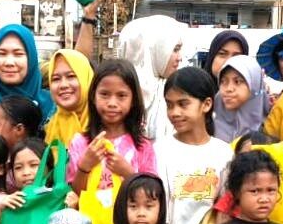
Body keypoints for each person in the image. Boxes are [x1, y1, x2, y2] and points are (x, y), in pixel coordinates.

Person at [156, 67, 233, 224]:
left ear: (206, 104)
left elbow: (224, 208)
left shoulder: (223, 153)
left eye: (183, 103)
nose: (175, 113)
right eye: (169, 105)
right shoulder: (160, 150)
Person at [68, 59, 157, 193]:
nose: (112, 103)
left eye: (121, 95)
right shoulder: (81, 143)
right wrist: (84, 167)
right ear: (93, 96)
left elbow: (151, 193)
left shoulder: (142, 146)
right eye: (104, 94)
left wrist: (128, 173)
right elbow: (75, 194)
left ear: (133, 100)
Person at [116, 15, 185, 141]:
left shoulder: (177, 91)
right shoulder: (117, 95)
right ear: (153, 50)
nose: (180, 57)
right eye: (175, 49)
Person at [213, 55, 268, 144]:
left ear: (254, 86)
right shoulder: (207, 128)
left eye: (237, 81)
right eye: (223, 81)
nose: (229, 88)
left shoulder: (270, 129)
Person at [44, 49, 94, 147]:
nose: (63, 85)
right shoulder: (52, 126)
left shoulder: (104, 124)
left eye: (71, 76)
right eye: (56, 79)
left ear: (86, 79)